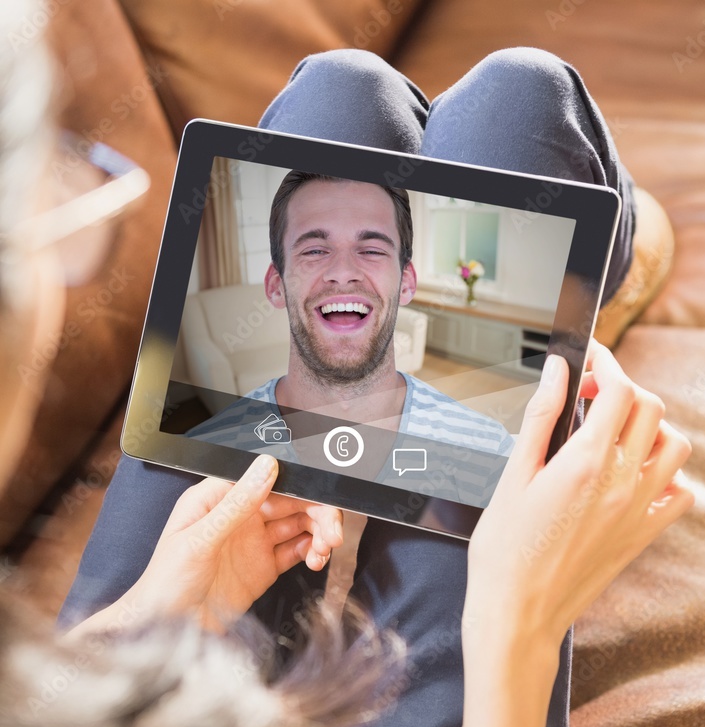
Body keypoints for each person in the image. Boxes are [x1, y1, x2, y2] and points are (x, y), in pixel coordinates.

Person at [37, 43, 691, 727]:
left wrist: (153, 613)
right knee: (520, 104)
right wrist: (515, 624)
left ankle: (565, 270)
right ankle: (601, 263)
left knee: (341, 98)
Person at [186, 171, 514, 507]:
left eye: (371, 250)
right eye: (314, 251)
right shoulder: (199, 460)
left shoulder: (492, 456)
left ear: (406, 283)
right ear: (275, 285)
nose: (343, 272)